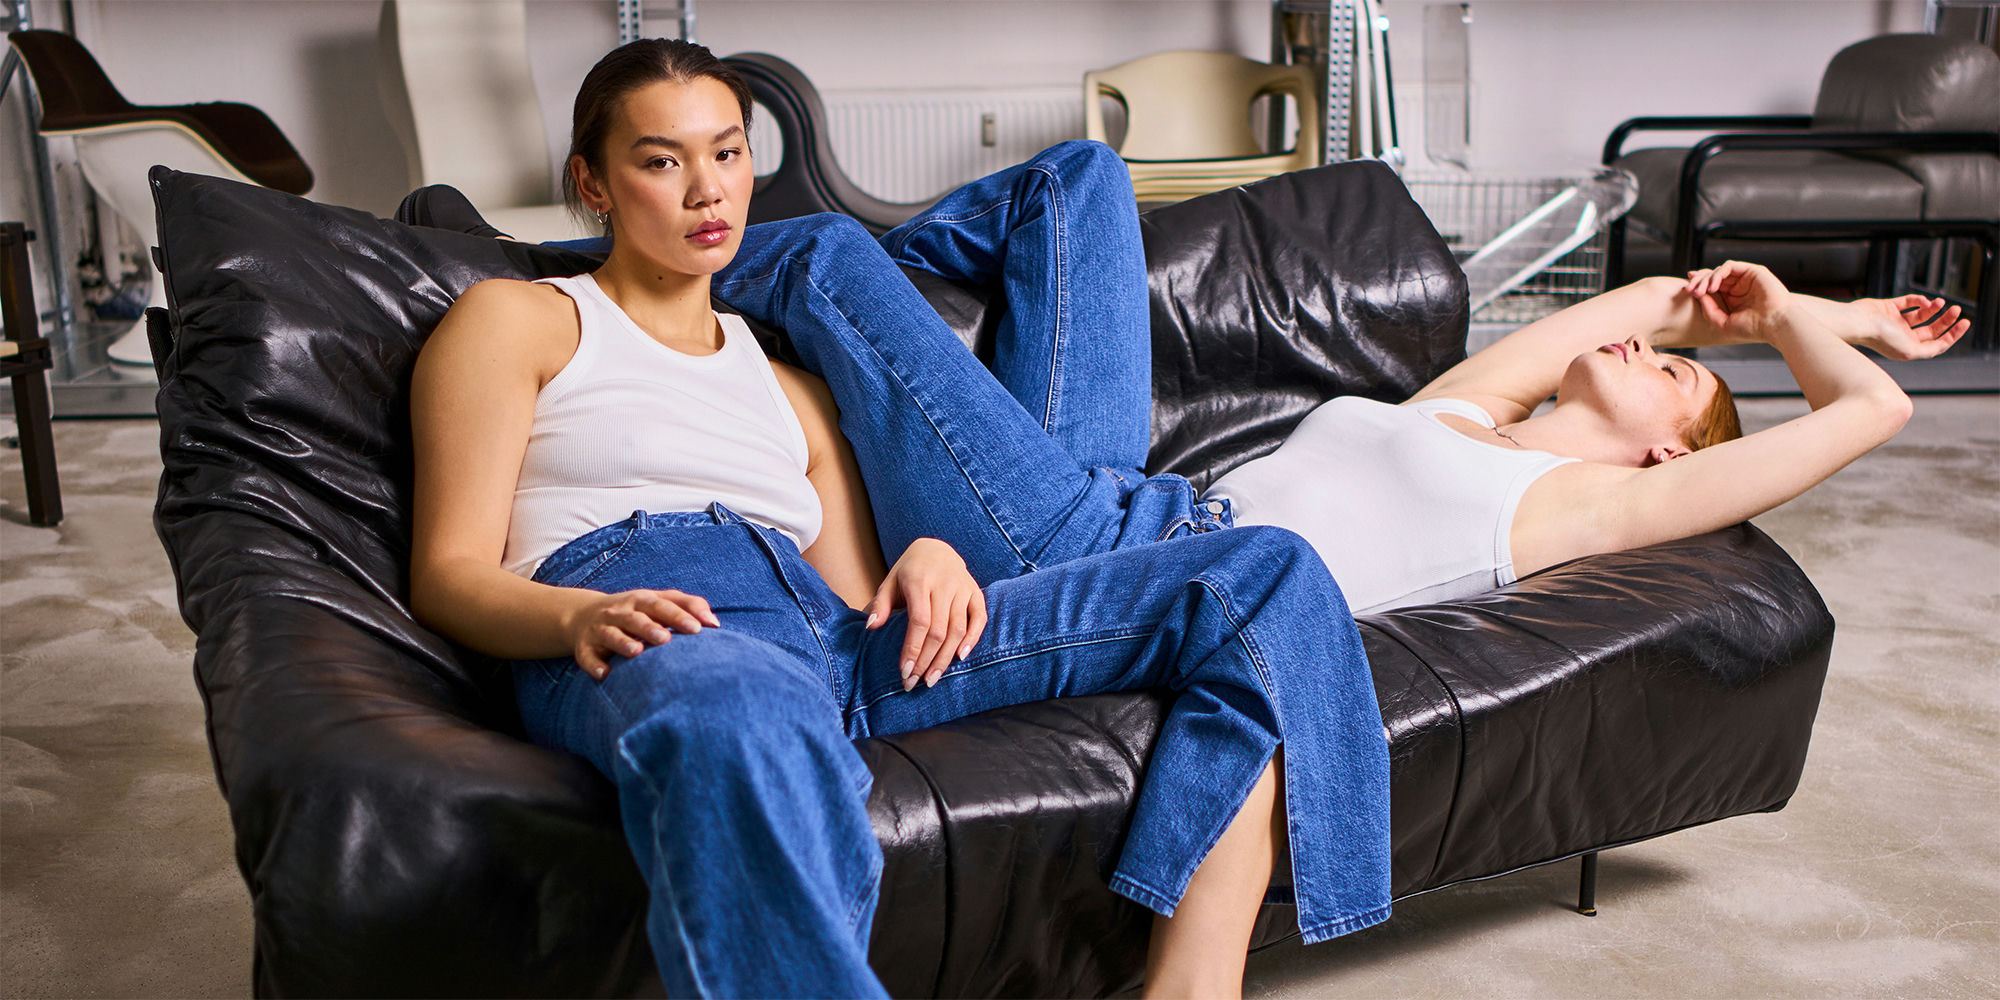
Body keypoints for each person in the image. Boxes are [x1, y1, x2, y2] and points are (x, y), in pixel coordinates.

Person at [405, 40, 1391, 999]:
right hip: (653, 614)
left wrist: (923, 559)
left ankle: (1189, 982)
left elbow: (851, 605)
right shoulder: (522, 319)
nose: (705, 188)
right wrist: (575, 618)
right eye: (660, 161)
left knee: (1266, 573)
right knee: (739, 716)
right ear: (593, 183)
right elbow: (447, 572)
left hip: (823, 642)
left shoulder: (788, 386)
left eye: (726, 152)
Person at [706, 153, 1968, 617]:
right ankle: (875, 303)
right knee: (1077, 180)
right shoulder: (1465, 414)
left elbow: (1873, 411)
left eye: (1681, 379)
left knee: (818, 252)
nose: (1658, 345)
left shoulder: (1572, 509)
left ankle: (587, 300)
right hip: (1120, 490)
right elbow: (1665, 298)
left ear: (1666, 459)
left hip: (1088, 560)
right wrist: (1832, 310)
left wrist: (1802, 321)